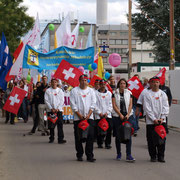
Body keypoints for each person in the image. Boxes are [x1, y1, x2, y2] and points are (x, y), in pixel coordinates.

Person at [70, 74, 96, 162]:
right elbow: (73, 104)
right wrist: (80, 115)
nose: (84, 82)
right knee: (78, 137)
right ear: (79, 81)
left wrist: (88, 115)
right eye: (82, 80)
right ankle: (79, 154)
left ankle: (89, 155)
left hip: (89, 117)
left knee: (90, 136)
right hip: (78, 118)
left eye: (85, 80)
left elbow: (93, 103)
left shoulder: (91, 91)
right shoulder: (74, 91)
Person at [143, 76, 169, 163]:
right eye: (153, 82)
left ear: (159, 83)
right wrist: (153, 119)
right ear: (150, 83)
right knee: (151, 140)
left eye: (157, 82)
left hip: (162, 121)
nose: (155, 84)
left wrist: (162, 118)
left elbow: (166, 106)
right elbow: (147, 108)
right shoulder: (147, 94)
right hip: (151, 122)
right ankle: (153, 156)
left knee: (162, 139)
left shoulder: (163, 94)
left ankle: (161, 156)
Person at [112, 78, 135, 162]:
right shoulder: (114, 93)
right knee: (118, 136)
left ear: (126, 85)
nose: (122, 85)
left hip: (128, 116)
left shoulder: (129, 93)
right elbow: (114, 105)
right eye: (121, 83)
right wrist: (120, 114)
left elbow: (130, 105)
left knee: (128, 135)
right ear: (119, 85)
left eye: (124, 83)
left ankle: (128, 154)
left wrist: (128, 114)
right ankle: (119, 153)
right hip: (117, 116)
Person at [45, 78, 66, 144]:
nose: (54, 83)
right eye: (52, 82)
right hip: (50, 111)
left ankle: (60, 139)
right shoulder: (48, 91)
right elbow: (46, 100)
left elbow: (62, 100)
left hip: (58, 111)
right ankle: (51, 138)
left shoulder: (60, 91)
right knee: (51, 126)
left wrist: (58, 108)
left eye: (55, 82)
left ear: (57, 83)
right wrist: (51, 108)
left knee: (60, 125)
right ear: (50, 83)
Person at [94, 79, 113, 149]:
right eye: (101, 84)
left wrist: (107, 112)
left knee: (109, 128)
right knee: (99, 129)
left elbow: (111, 104)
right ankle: (100, 142)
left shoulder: (109, 93)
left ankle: (108, 143)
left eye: (104, 84)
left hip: (107, 115)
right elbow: (94, 104)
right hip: (99, 115)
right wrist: (99, 112)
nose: (103, 86)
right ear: (99, 85)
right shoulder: (95, 93)